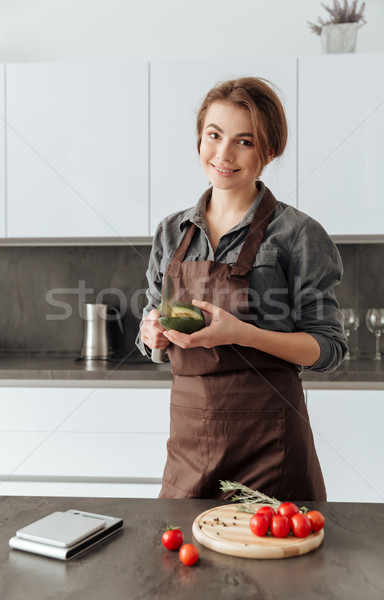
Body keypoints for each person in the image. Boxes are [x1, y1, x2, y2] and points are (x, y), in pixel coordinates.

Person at [137, 77, 347, 501]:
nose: (224, 154)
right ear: (200, 139)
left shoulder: (297, 234)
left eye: (244, 141)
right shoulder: (171, 232)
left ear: (270, 152)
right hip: (190, 442)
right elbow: (152, 327)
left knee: (271, 565)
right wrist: (151, 334)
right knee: (181, 564)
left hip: (270, 443)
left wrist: (242, 335)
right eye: (214, 135)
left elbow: (329, 349)